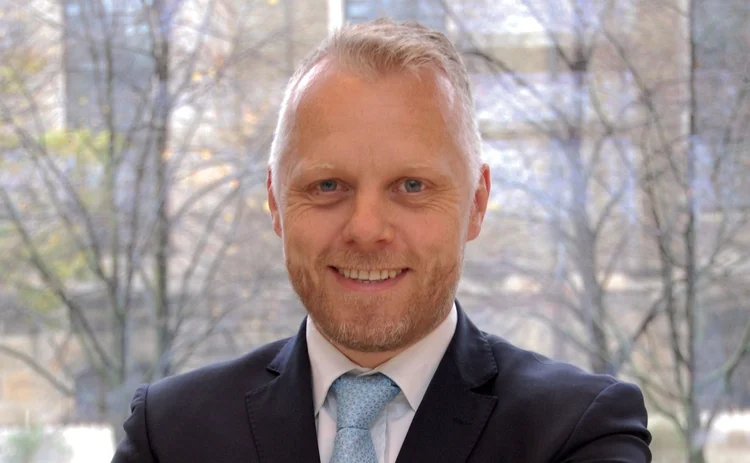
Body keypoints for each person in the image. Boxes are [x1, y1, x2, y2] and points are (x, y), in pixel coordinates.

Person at [112, 19, 651, 463]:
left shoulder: (579, 431)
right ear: (275, 203)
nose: (366, 229)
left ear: (476, 203)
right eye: (328, 186)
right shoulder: (170, 434)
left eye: (411, 187)